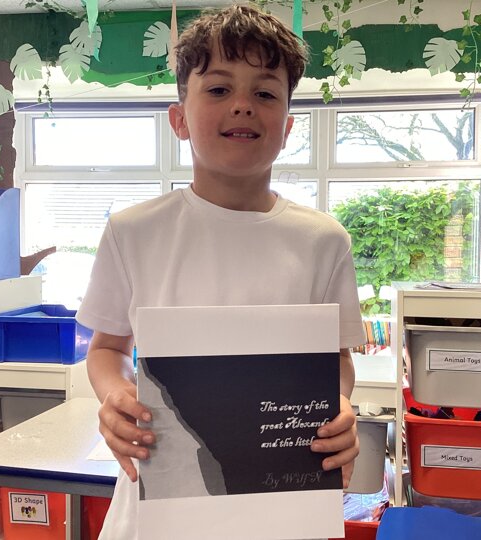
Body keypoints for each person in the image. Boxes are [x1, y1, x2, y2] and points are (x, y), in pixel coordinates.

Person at [76, 5, 366, 538]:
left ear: (288, 126)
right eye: (218, 89)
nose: (242, 105)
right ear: (179, 119)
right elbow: (106, 349)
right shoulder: (132, 231)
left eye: (265, 93)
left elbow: (336, 359)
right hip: (156, 510)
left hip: (279, 511)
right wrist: (115, 396)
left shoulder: (324, 240)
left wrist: (339, 403)